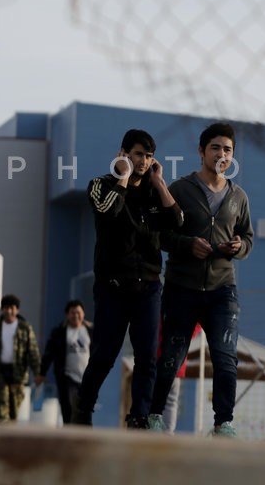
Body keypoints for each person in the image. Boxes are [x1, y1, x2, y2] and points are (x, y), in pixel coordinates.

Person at [146, 122, 254, 437]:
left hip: (223, 289)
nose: (222, 154)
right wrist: (186, 244)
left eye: (228, 149)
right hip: (182, 287)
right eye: (216, 147)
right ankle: (154, 415)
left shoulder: (239, 196)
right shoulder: (180, 189)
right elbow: (162, 235)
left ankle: (223, 423)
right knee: (171, 355)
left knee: (225, 357)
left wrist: (239, 247)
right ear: (202, 151)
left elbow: (247, 237)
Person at [72, 129, 183, 428]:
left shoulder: (153, 191)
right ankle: (83, 406)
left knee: (147, 357)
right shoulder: (101, 184)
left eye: (148, 156)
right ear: (123, 153)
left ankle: (139, 418)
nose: (144, 161)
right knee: (105, 355)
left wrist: (160, 183)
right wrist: (122, 177)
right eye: (138, 155)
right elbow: (108, 211)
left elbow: (177, 221)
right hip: (112, 287)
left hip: (147, 287)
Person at [0, 294, 43, 422]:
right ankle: (0, 437)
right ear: (2, 309)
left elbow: (33, 352)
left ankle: (8, 438)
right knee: (1, 412)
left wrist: (38, 373)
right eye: (6, 308)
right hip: (0, 373)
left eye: (12, 308)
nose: (9, 311)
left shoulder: (25, 328)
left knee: (13, 413)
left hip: (18, 375)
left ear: (17, 310)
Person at [39, 299, 93, 424]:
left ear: (83, 314)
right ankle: (69, 435)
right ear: (67, 315)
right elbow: (49, 353)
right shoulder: (60, 332)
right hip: (68, 377)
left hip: (87, 378)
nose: (76, 316)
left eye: (78, 312)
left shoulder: (90, 331)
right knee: (69, 409)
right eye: (72, 313)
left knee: (86, 411)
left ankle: (86, 438)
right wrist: (42, 373)